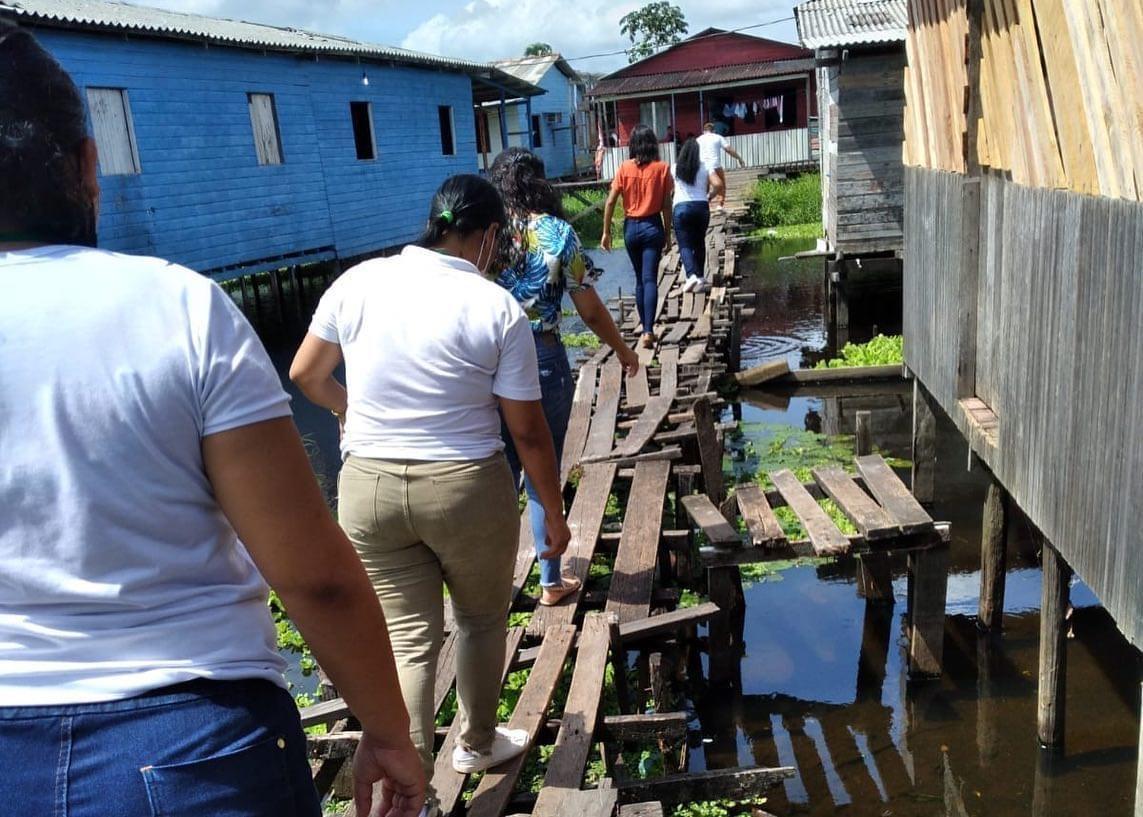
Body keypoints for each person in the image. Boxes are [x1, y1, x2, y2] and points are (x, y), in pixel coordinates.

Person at [0, 21, 423, 817]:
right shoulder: (175, 305)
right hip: (188, 744)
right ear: (88, 165)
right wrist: (388, 729)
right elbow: (314, 576)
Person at [290, 175, 572, 785]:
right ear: (490, 235)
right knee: (478, 620)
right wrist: (555, 512)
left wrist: (347, 412)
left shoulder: (358, 281)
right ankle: (475, 743)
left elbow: (306, 373)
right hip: (465, 485)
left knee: (410, 638)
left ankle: (408, 778)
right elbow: (526, 433)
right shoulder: (497, 307)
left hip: (368, 489)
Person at [489, 148, 639, 605]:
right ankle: (550, 582)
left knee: (496, 477)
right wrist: (623, 349)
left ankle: (493, 587)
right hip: (543, 357)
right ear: (540, 183)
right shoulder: (559, 233)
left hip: (487, 361)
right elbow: (589, 309)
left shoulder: (486, 235)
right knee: (542, 472)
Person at [601, 124, 673, 348]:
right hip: (653, 226)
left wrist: (606, 232)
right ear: (653, 144)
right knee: (650, 278)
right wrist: (668, 234)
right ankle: (649, 331)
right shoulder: (662, 169)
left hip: (631, 228)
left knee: (639, 279)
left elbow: (611, 200)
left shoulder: (624, 168)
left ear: (632, 145)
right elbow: (666, 205)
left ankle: (644, 327)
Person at [671, 137, 712, 293]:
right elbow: (713, 186)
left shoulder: (675, 168)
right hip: (702, 207)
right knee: (699, 242)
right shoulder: (704, 168)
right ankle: (700, 277)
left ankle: (690, 276)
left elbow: (671, 188)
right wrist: (710, 195)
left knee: (685, 244)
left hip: (681, 208)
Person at [697, 122, 743, 210]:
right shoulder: (718, 137)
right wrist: (739, 158)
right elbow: (728, 149)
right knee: (721, 186)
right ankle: (719, 204)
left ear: (704, 131)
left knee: (704, 187)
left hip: (702, 166)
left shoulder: (698, 139)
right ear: (713, 130)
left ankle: (705, 205)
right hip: (715, 165)